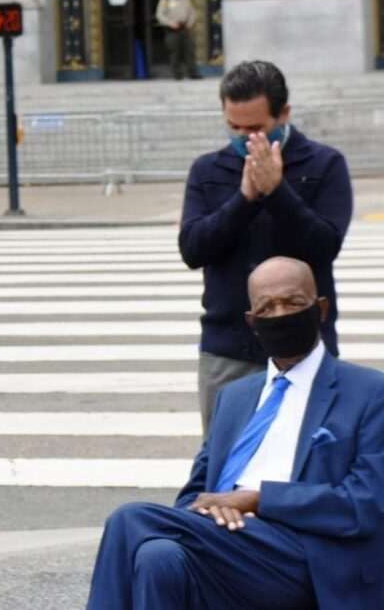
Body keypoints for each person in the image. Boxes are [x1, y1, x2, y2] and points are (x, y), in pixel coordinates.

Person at [87, 257, 384, 609]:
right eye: (266, 307)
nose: (279, 315)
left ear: (320, 309)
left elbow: (364, 504)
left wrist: (258, 499)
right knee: (158, 555)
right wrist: (214, 513)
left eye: (292, 303)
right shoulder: (235, 396)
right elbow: (195, 495)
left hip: (306, 555)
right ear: (252, 322)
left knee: (130, 519)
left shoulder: (369, 392)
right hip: (227, 543)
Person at [179, 61, 352, 434]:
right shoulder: (208, 170)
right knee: (225, 468)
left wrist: (277, 192)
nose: (244, 137)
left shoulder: (324, 164)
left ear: (283, 114)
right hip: (228, 348)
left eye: (256, 128)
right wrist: (244, 199)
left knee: (308, 463)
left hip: (305, 344)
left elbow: (324, 245)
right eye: (234, 126)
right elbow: (193, 249)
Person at [156, 0, 201, 80]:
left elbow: (192, 12)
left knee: (189, 51)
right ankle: (177, 75)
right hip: (172, 30)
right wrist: (170, 23)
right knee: (174, 53)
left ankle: (193, 73)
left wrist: (189, 23)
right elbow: (160, 15)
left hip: (184, 28)